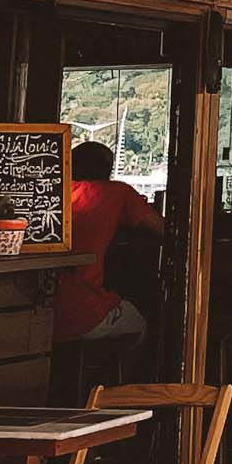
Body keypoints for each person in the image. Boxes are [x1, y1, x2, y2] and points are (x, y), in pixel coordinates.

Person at [59, 141, 160, 351]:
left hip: (38, 311)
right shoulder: (117, 193)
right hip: (85, 312)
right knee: (142, 323)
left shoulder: (53, 193)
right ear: (107, 170)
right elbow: (162, 228)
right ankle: (117, 381)